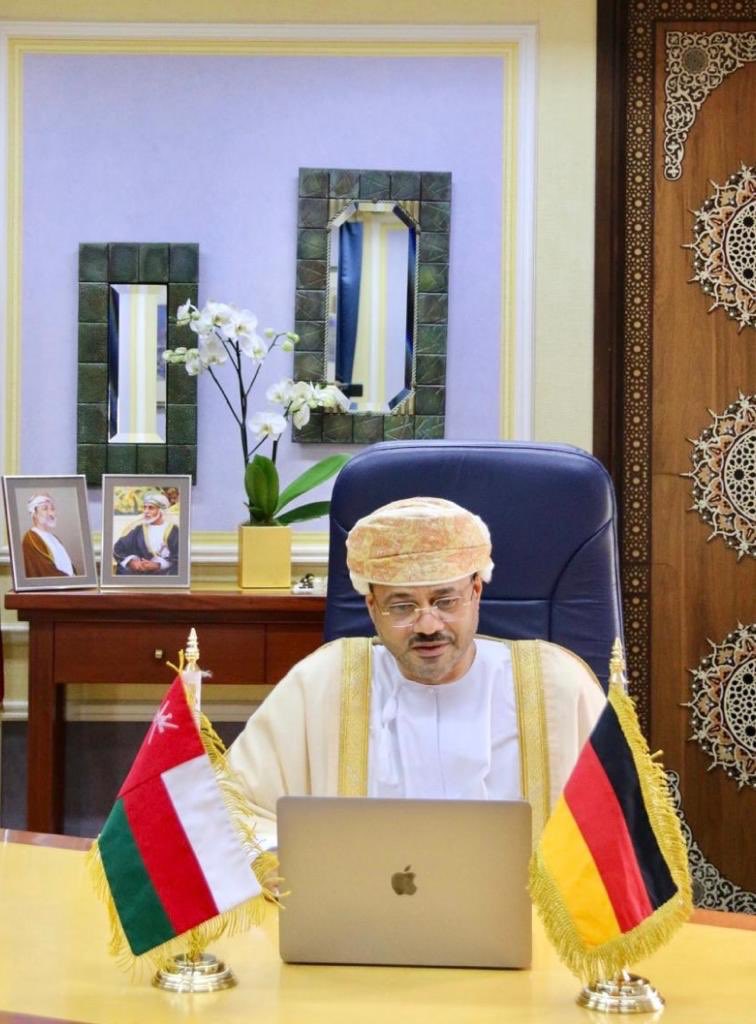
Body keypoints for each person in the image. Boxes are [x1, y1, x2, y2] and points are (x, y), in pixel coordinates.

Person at [228, 497, 606, 847]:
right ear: (372, 607)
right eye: (402, 606)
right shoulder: (320, 684)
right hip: (361, 900)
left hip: (525, 900)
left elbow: (614, 830)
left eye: (445, 601)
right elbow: (235, 810)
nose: (427, 625)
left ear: (476, 592)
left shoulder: (558, 687)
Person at [113, 491, 179, 575]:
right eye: (145, 507)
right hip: (140, 573)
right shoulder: (139, 529)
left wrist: (158, 565)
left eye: (151, 508)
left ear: (161, 511)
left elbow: (180, 558)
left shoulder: (174, 530)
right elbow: (118, 548)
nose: (146, 511)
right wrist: (131, 562)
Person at [22, 493, 78, 578]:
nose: (51, 513)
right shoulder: (31, 539)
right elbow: (46, 571)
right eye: (45, 509)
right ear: (34, 514)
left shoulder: (54, 538)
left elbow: (68, 566)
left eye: (52, 509)